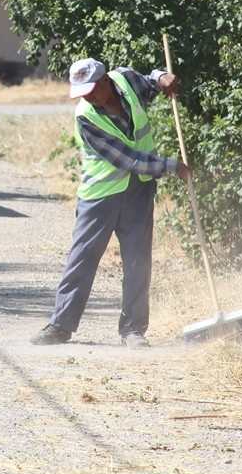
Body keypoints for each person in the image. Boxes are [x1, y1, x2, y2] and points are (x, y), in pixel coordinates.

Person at [31, 58, 192, 348]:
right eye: (82, 92)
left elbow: (149, 80)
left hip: (138, 193)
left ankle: (133, 331)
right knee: (82, 259)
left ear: (106, 81)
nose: (88, 97)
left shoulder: (126, 80)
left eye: (92, 89)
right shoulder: (85, 117)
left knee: (138, 261)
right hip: (100, 196)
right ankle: (60, 326)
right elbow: (129, 160)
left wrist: (162, 77)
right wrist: (171, 166)